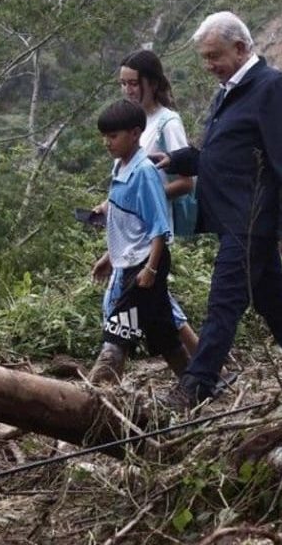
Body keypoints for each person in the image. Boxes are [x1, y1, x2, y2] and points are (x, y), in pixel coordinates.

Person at [157, 11, 282, 408]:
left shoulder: (272, 88)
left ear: (241, 47)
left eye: (214, 56)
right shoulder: (229, 91)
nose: (209, 65)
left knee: (224, 301)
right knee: (272, 301)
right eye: (205, 57)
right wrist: (177, 159)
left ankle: (196, 385)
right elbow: (222, 155)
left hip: (253, 218)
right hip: (234, 215)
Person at [98, 49, 200, 359]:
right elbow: (128, 185)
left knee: (124, 305)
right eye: (123, 84)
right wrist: (112, 205)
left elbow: (186, 180)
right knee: (161, 312)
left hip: (151, 233)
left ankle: (111, 361)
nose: (128, 91)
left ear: (152, 84)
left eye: (134, 84)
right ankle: (206, 368)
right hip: (132, 233)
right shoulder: (126, 121)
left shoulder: (167, 122)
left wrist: (146, 198)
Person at [87, 100, 190, 385]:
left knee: (117, 329)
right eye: (104, 137)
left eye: (113, 136)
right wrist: (110, 256)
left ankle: (100, 393)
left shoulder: (144, 172)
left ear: (134, 134)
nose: (107, 143)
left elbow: (158, 226)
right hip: (133, 259)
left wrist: (151, 269)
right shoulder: (119, 167)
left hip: (146, 261)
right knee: (162, 332)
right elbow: (127, 225)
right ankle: (198, 384)